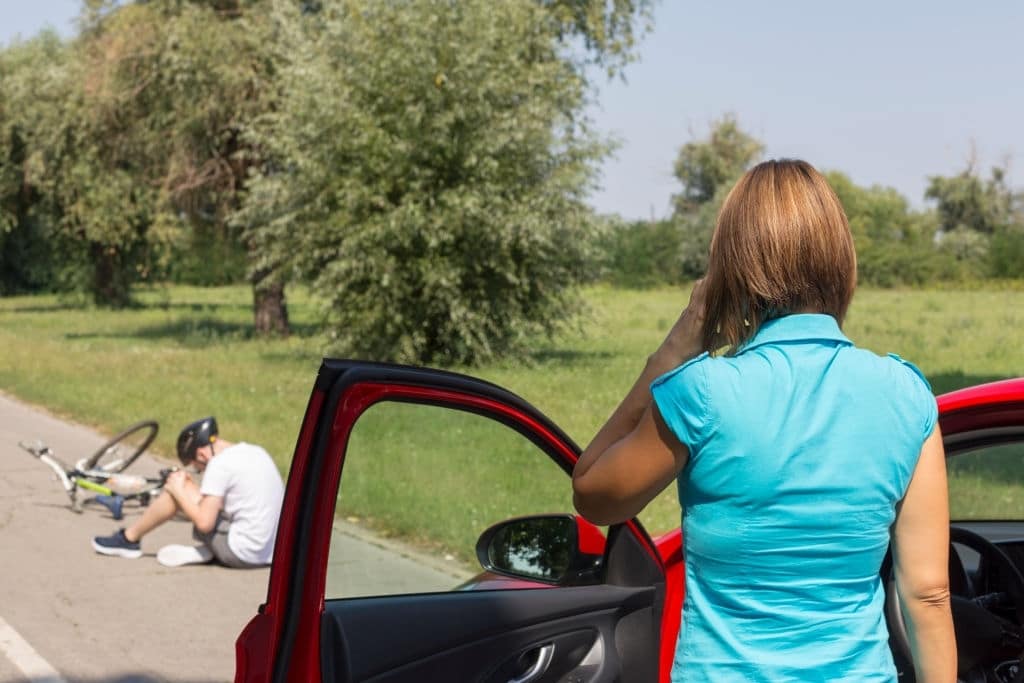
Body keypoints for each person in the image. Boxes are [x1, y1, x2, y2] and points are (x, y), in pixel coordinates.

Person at [572, 159, 956, 682]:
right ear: (842, 264)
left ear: (733, 269)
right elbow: (928, 596)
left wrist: (677, 345)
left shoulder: (700, 393)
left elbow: (593, 493)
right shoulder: (907, 396)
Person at [92, 416, 285, 568]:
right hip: (271, 552)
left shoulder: (219, 465)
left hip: (242, 554)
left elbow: (204, 523)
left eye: (198, 467)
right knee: (184, 487)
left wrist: (177, 492)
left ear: (202, 454)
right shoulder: (255, 451)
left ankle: (129, 539)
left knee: (176, 489)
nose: (201, 471)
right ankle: (211, 551)